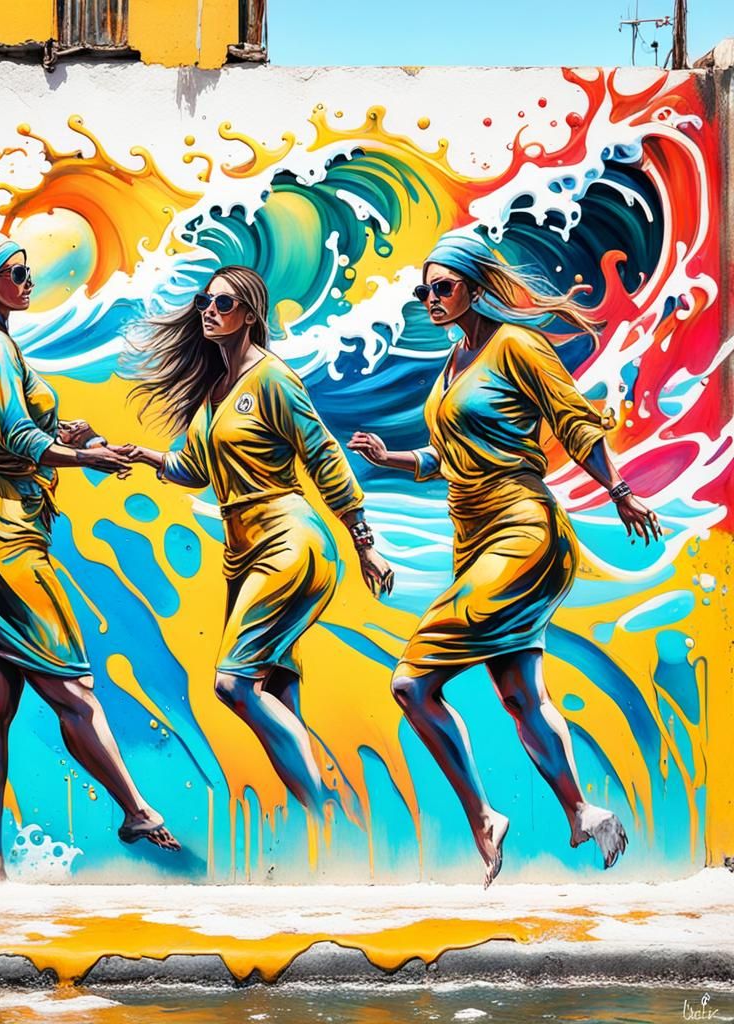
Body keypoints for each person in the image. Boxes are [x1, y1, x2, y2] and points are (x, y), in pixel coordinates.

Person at [349, 230, 661, 887]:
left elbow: (573, 420)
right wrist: (392, 459)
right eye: (424, 291)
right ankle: (582, 812)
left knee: (411, 682)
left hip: (523, 532)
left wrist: (622, 491)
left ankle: (483, 819)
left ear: (474, 286)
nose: (431, 299)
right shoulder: (452, 365)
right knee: (520, 695)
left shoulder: (516, 345)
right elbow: (446, 459)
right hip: (474, 541)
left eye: (443, 288)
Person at [0, 230, 179, 883]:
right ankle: (135, 810)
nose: (28, 280)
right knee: (72, 689)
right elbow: (18, 437)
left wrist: (60, 435)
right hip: (5, 534)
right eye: (17, 271)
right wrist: (88, 455)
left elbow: (10, 433)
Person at [123, 265, 394, 829]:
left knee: (233, 683)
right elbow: (192, 468)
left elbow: (322, 454)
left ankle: (330, 820)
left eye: (222, 303)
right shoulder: (215, 391)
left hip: (290, 542)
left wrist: (363, 541)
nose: (208, 311)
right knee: (276, 694)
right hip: (241, 554)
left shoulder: (271, 378)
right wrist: (134, 454)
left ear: (250, 314)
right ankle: (327, 839)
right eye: (204, 302)